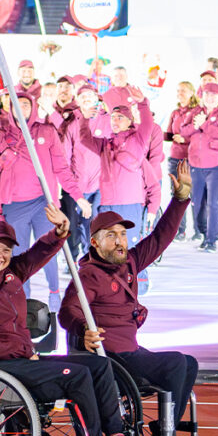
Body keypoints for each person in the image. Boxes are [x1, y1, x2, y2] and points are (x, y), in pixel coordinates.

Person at [0, 211, 150, 436]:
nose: (0, 255)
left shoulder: (11, 274)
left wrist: (58, 234)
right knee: (77, 375)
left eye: (6, 250)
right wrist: (21, 352)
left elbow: (38, 254)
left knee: (99, 365)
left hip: (23, 360)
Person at [60, 161, 206, 436]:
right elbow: (67, 311)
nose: (119, 241)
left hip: (131, 352)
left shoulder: (129, 263)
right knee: (177, 363)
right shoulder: (88, 275)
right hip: (112, 358)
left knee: (189, 363)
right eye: (111, 236)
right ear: (95, 242)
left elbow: (160, 237)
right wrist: (82, 329)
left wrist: (180, 200)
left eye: (123, 235)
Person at [0, 92, 91, 311]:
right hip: (14, 205)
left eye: (26, 104)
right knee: (18, 255)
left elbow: (62, 168)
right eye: (17, 105)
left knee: (48, 250)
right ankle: (22, 299)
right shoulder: (2, 135)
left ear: (33, 107)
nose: (22, 108)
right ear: (10, 108)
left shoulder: (46, 131)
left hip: (44, 202)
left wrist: (79, 197)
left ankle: (54, 292)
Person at [77, 86, 160, 293]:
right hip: (108, 205)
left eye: (120, 118)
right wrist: (84, 119)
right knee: (109, 246)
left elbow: (148, 123)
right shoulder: (106, 144)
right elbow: (84, 138)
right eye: (113, 118)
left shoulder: (138, 139)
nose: (115, 121)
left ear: (130, 121)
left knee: (130, 246)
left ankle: (139, 283)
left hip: (130, 204)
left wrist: (142, 103)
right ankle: (112, 285)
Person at [174, 83, 218, 253]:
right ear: (202, 96)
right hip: (196, 165)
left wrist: (205, 124)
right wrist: (196, 125)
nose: (210, 98)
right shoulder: (195, 112)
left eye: (214, 95)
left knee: (214, 202)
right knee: (197, 203)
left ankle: (211, 240)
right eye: (207, 94)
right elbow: (183, 130)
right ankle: (202, 233)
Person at [53, 80, 101, 260]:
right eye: (83, 97)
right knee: (73, 224)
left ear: (96, 99)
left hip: (99, 185)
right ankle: (72, 258)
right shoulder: (72, 124)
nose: (87, 99)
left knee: (94, 224)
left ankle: (91, 258)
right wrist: (70, 183)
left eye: (90, 96)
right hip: (76, 185)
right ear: (78, 101)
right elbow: (65, 157)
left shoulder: (104, 120)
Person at [165, 82, 201, 240]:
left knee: (194, 195)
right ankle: (180, 231)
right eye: (178, 90)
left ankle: (199, 230)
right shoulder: (175, 112)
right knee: (178, 195)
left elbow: (202, 134)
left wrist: (185, 139)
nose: (180, 93)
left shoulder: (197, 112)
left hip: (192, 159)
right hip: (175, 158)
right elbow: (169, 134)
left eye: (184, 91)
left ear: (192, 93)